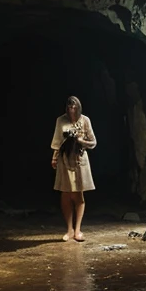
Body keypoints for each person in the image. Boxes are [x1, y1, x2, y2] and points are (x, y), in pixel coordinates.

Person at [51, 96, 97, 242]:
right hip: (65, 159)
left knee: (78, 194)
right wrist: (54, 157)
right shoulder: (61, 120)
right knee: (65, 193)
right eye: (70, 107)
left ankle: (78, 230)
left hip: (79, 159)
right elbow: (57, 141)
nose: (72, 109)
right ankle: (69, 229)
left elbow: (93, 142)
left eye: (74, 107)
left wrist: (80, 140)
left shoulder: (85, 120)